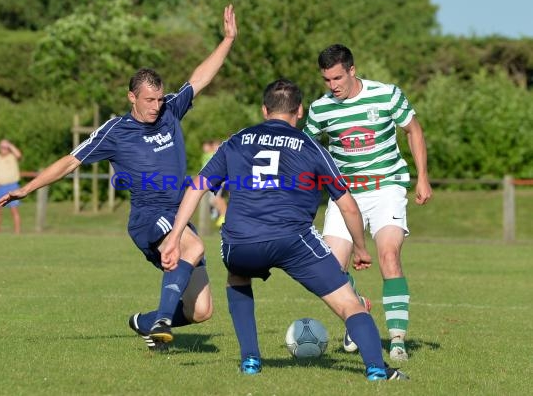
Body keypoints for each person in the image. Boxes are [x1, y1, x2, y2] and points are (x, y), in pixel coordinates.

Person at [0, 5, 237, 351]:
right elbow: (69, 162)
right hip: (149, 217)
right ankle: (163, 325)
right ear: (131, 97)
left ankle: (145, 321)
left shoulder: (170, 110)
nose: (156, 106)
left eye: (159, 98)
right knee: (195, 245)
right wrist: (28, 188)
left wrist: (227, 39)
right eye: (149, 100)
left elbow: (199, 78)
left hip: (178, 212)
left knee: (201, 310)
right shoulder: (115, 131)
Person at [162, 79, 408, 380]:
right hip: (293, 240)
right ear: (300, 111)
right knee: (349, 304)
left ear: (265, 110)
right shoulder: (311, 146)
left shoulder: (237, 140)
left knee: (238, 275)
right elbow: (348, 206)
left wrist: (175, 237)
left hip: (241, 242)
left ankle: (251, 361)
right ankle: (377, 370)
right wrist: (359, 247)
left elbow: (197, 186)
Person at [304, 44, 432, 361]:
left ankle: (398, 341)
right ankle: (357, 307)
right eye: (326, 80)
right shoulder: (321, 109)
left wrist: (422, 176)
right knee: (331, 271)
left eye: (337, 78)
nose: (333, 86)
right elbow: (304, 150)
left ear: (352, 70)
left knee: (388, 255)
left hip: (386, 188)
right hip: (344, 194)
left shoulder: (386, 95)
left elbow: (413, 130)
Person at [0, 139, 22, 234]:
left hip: (12, 186)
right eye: (2, 147)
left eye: (6, 147)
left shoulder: (12, 157)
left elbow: (19, 155)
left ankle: (17, 233)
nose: (4, 149)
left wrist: (10, 145)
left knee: (14, 210)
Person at [201, 139, 227, 228]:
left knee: (218, 198)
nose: (204, 148)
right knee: (212, 201)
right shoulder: (206, 155)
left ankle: (223, 216)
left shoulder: (218, 154)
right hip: (210, 181)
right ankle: (218, 214)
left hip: (219, 180)